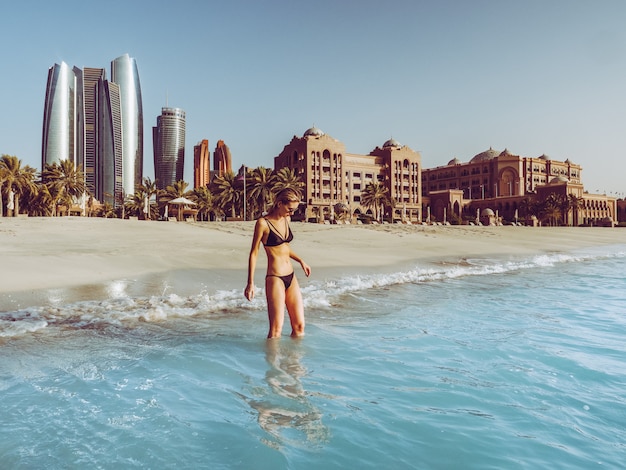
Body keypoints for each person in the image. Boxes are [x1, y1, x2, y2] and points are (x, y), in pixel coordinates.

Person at [245, 188, 311, 338]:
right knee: (276, 330)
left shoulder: (286, 220)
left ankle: (294, 361)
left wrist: (300, 260)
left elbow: (284, 248)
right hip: (275, 278)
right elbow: (254, 253)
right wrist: (250, 283)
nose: (292, 213)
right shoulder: (263, 223)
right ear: (280, 204)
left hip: (291, 277)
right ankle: (272, 360)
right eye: (290, 209)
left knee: (299, 326)